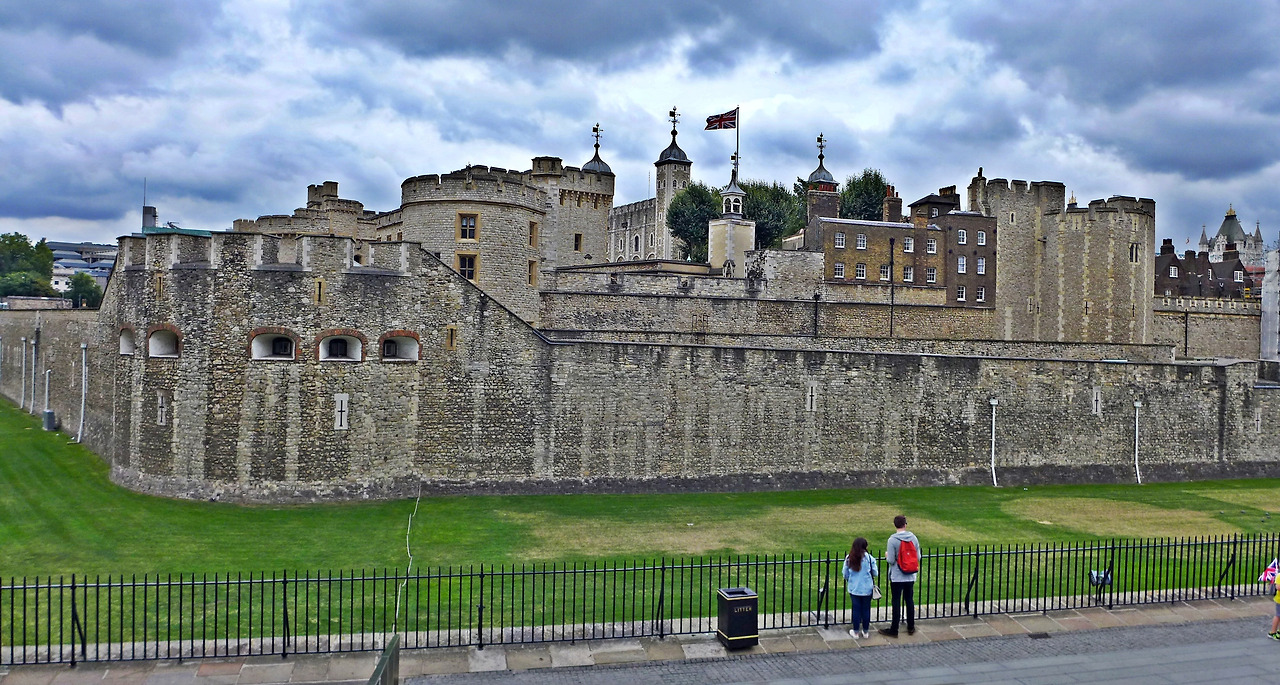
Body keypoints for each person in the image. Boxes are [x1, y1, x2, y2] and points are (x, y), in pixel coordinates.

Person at [879, 514, 920, 637]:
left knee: (896, 601)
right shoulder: (913, 538)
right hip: (910, 575)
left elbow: (891, 560)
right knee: (909, 600)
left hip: (897, 576)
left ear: (895, 525)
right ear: (905, 524)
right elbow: (918, 557)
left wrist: (887, 556)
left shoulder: (892, 540)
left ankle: (894, 629)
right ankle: (911, 626)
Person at [842, 537, 878, 639]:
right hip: (867, 588)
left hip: (854, 588)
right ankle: (866, 631)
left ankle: (856, 631)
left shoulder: (849, 558)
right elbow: (875, 573)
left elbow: (845, 573)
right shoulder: (870, 558)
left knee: (856, 609)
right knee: (866, 609)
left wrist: (850, 579)